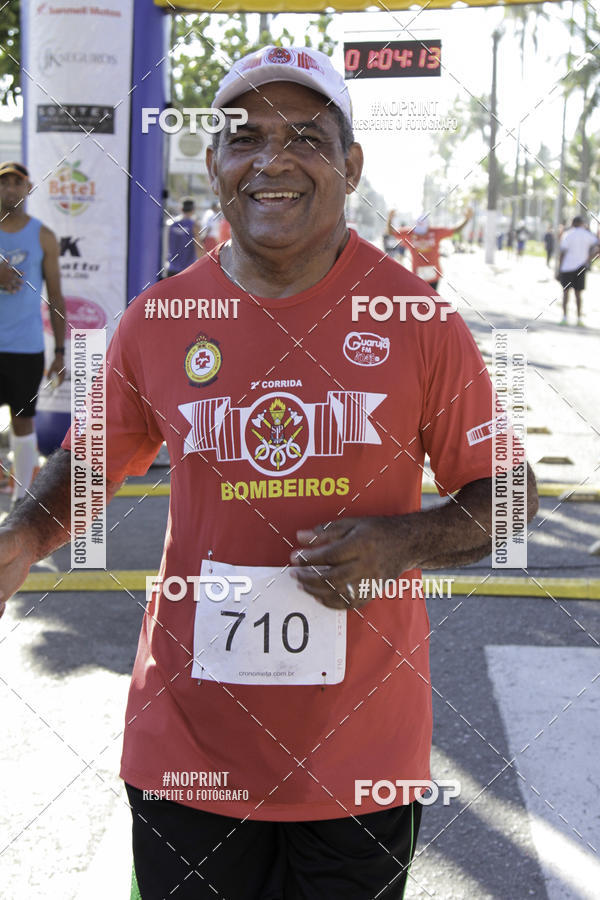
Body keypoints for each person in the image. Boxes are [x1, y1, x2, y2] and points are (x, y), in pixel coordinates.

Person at [0, 48, 539, 899]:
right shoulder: (162, 320)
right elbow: (95, 461)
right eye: (244, 139)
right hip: (187, 755)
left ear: (351, 165)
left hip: (361, 764)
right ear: (215, 165)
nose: (271, 161)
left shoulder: (417, 320)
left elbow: (509, 491)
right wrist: (26, 533)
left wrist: (405, 540)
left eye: (306, 139)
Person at [0, 161, 66, 509]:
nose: (10, 189)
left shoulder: (43, 235)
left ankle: (21, 503)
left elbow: (55, 295)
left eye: (17, 183)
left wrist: (59, 351)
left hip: (26, 349)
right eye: (4, 183)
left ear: (28, 189)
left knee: (23, 424)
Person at [387, 207, 472, 291]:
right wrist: (389, 219)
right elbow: (391, 232)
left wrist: (467, 219)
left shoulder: (435, 232)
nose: (421, 234)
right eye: (419, 231)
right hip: (418, 275)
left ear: (428, 226)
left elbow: (454, 230)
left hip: (433, 275)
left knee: (432, 300)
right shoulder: (409, 233)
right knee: (419, 300)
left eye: (423, 231)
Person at [557, 216, 599, 326]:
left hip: (566, 268)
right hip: (581, 267)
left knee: (566, 293)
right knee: (578, 294)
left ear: (573, 223)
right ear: (581, 223)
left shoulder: (568, 234)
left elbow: (562, 253)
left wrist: (559, 268)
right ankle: (579, 318)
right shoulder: (587, 235)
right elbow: (597, 247)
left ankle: (564, 317)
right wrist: (589, 259)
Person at [166, 196, 201, 276]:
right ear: (193, 210)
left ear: (181, 209)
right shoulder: (194, 225)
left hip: (172, 268)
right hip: (188, 270)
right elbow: (198, 246)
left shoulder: (171, 224)